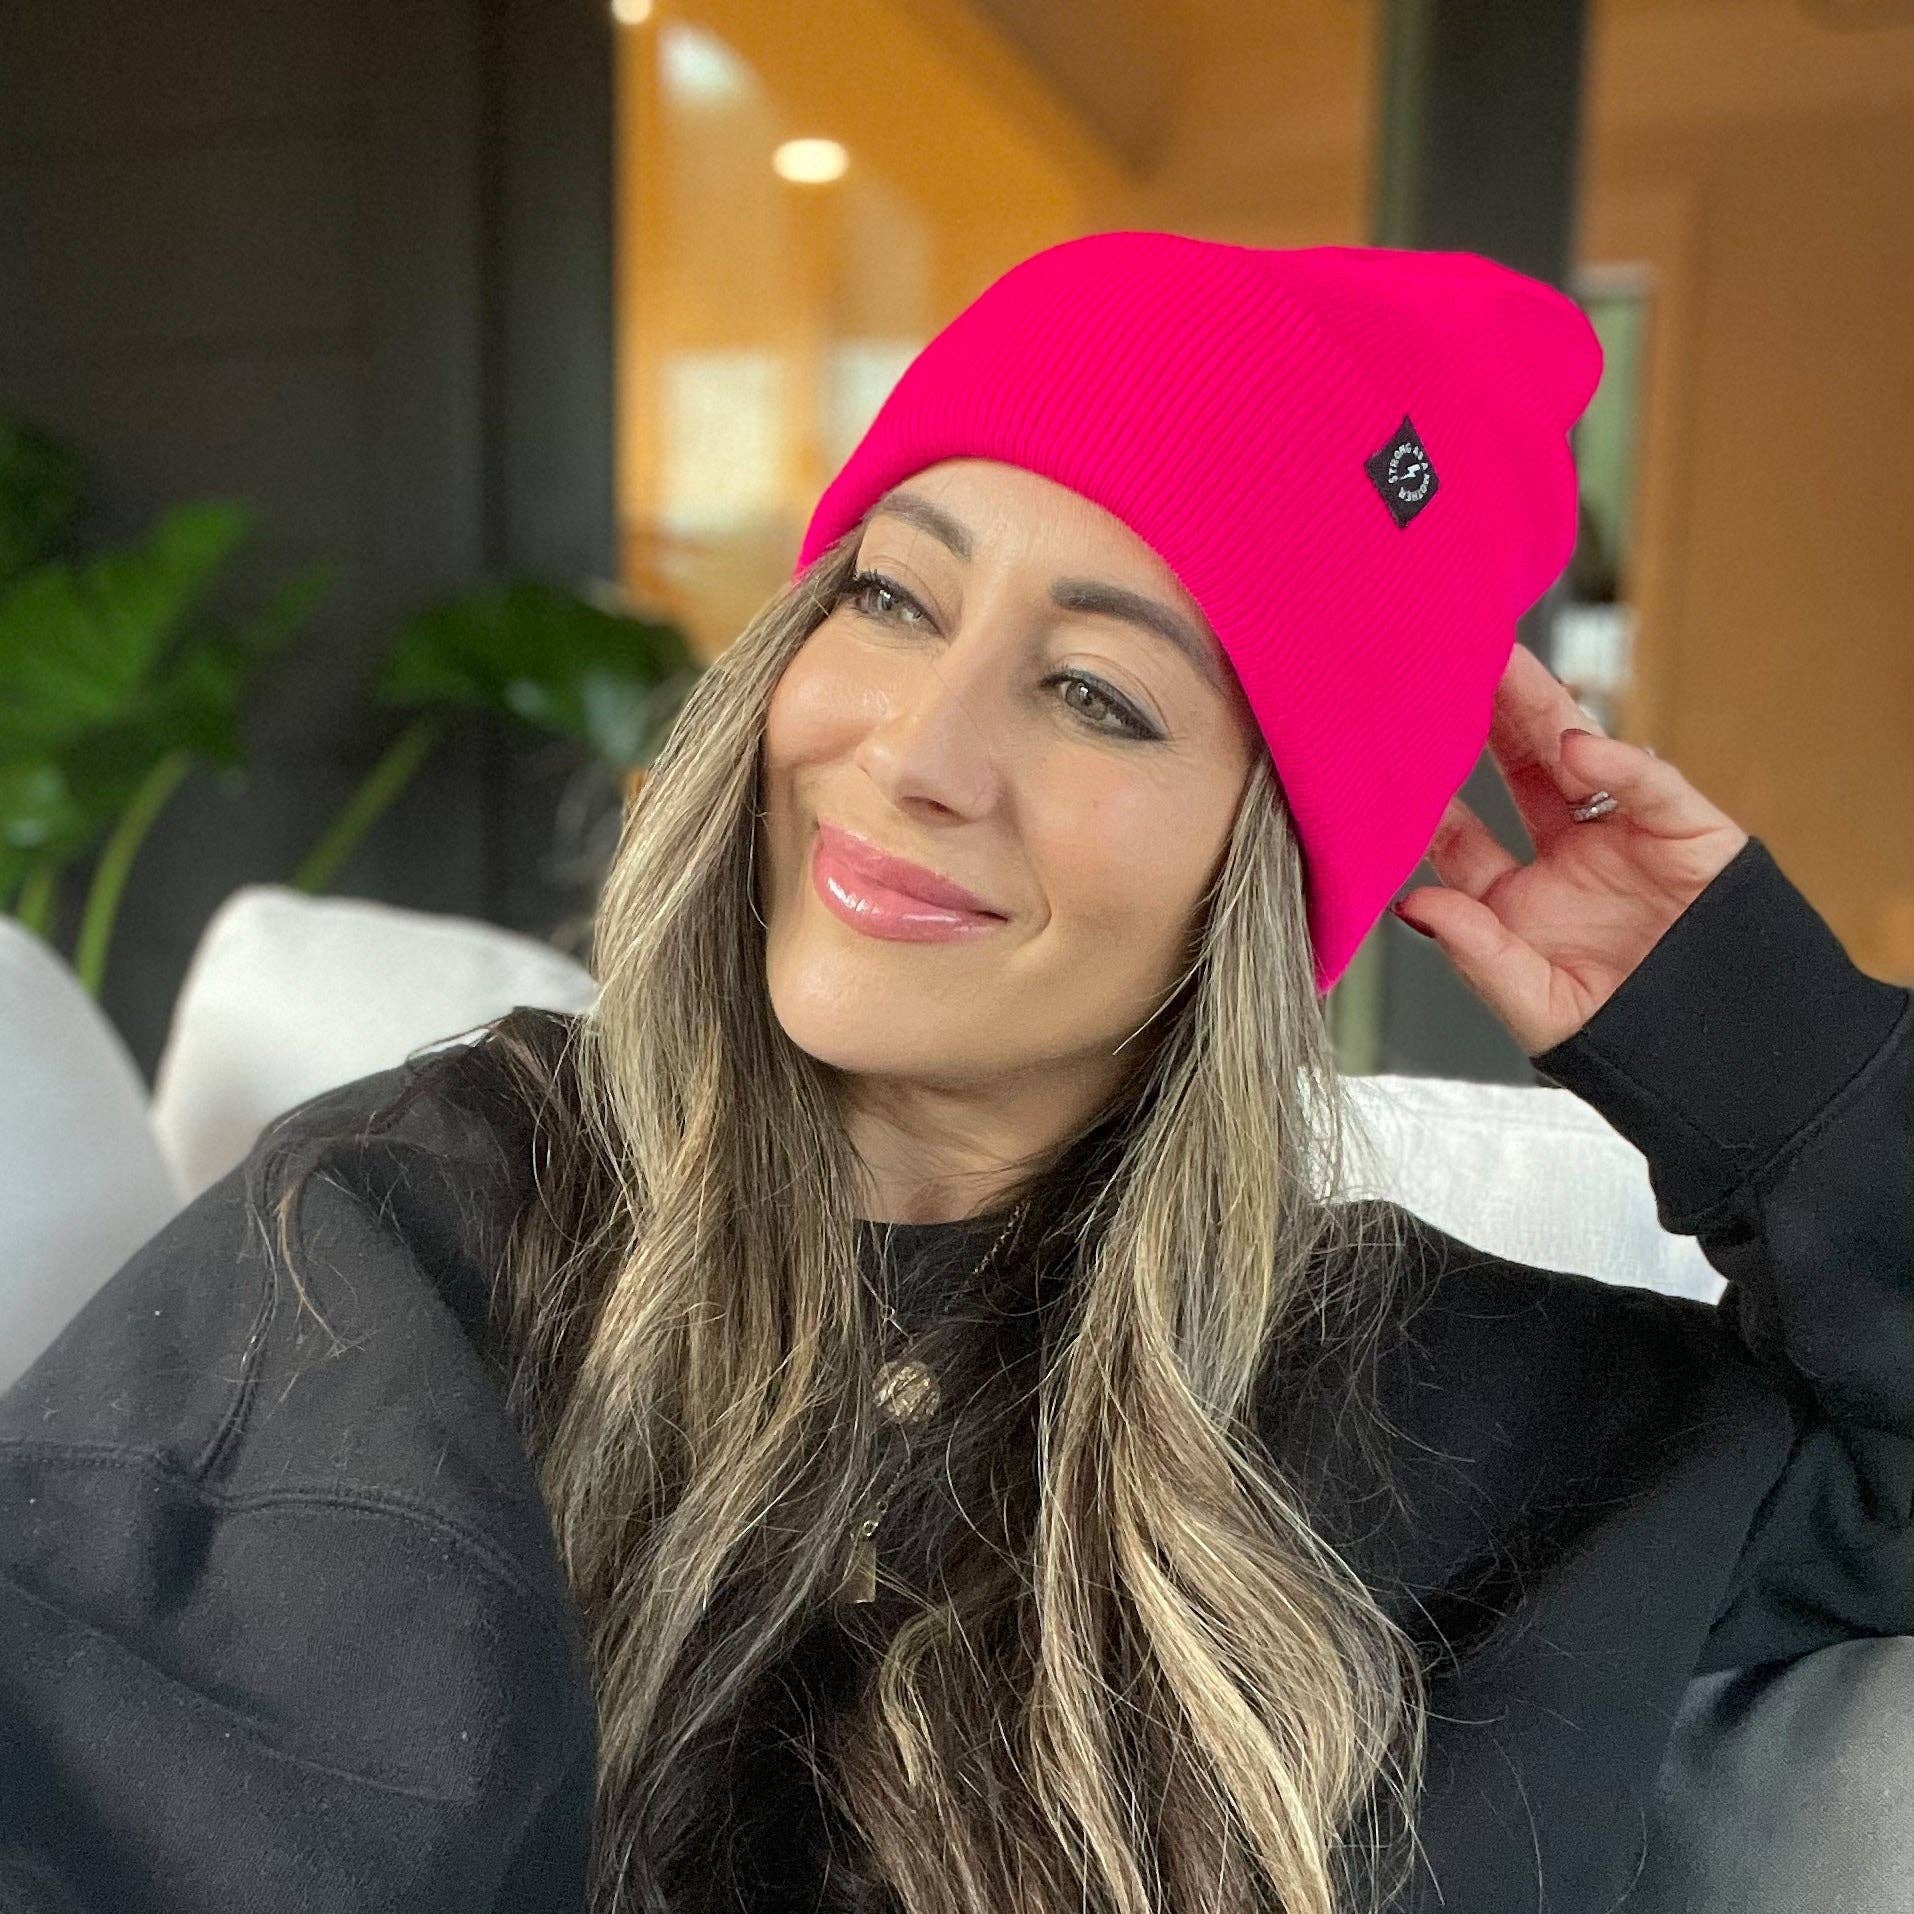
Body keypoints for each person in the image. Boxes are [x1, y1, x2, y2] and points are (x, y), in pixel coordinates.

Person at [2, 234, 1909, 1914]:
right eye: (895, 597)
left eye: (1096, 693)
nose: (917, 749)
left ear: (1258, 878)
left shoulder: (1429, 1403)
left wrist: (1753, 1032)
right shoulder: (419, 1223)